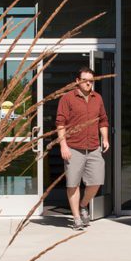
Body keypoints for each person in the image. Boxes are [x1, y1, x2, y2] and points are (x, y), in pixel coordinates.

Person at [56, 66, 110, 230]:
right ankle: (77, 218)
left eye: (91, 81)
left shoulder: (97, 98)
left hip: (93, 147)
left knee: (96, 182)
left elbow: (103, 120)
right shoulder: (67, 98)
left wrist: (105, 138)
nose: (88, 83)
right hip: (73, 147)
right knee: (73, 184)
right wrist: (63, 145)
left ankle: (83, 204)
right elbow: (60, 123)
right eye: (85, 80)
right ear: (77, 81)